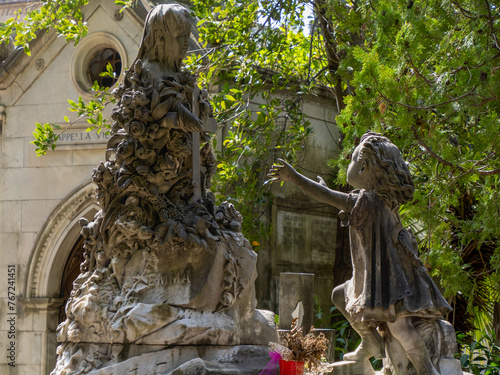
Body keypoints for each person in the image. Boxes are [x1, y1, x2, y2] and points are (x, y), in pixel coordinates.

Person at [268, 132, 451, 375]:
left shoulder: (369, 201)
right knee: (340, 295)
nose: (349, 165)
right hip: (375, 279)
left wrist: (295, 178)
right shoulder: (378, 201)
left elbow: (330, 198)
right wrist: (326, 192)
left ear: (363, 166)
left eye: (352, 160)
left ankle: (427, 370)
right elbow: (336, 200)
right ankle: (371, 341)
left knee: (400, 329)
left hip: (388, 284)